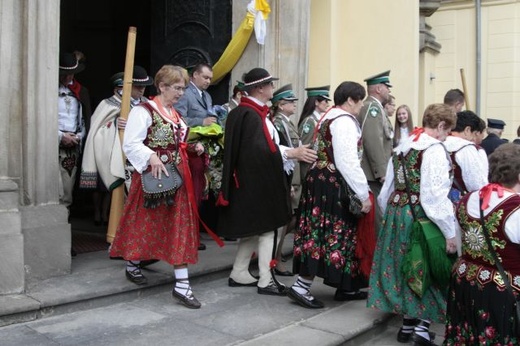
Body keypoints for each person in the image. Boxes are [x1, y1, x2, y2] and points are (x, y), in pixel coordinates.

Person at [109, 65, 205, 309]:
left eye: (183, 88)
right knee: (143, 222)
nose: (181, 93)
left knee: (177, 226)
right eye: (177, 88)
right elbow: (130, 143)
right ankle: (132, 263)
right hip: (152, 179)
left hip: (176, 178)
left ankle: (182, 286)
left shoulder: (174, 113)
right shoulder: (144, 111)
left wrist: (193, 148)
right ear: (162, 86)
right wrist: (150, 156)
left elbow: (177, 144)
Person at [217, 67, 317, 295]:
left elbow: (265, 147)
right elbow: (257, 152)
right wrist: (293, 153)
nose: (273, 88)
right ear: (261, 88)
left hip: (253, 182)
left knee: (255, 230)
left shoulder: (250, 113)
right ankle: (266, 279)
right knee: (268, 230)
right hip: (256, 184)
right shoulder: (250, 115)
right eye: (270, 85)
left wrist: (290, 153)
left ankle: (239, 272)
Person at [367, 103, 458, 345]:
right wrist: (450, 232)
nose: (446, 136)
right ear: (440, 126)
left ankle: (407, 324)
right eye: (447, 130)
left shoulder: (402, 148)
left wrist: (392, 217)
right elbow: (434, 196)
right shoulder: (434, 150)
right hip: (422, 215)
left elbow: (385, 193)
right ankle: (422, 327)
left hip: (397, 212)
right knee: (428, 265)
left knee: (404, 265)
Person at [288, 81, 372, 309]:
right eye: (361, 100)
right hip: (332, 185)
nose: (362, 105)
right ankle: (301, 286)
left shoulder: (328, 117)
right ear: (351, 100)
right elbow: (348, 162)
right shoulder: (344, 121)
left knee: (323, 232)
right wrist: (363, 194)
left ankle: (347, 286)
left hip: (320, 182)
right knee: (327, 233)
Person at [444, 143, 520, 345]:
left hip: (464, 282)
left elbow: (461, 242)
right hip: (502, 292)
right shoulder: (516, 207)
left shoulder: (469, 198)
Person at [80, 66, 154, 226]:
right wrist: (114, 124)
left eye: (144, 87)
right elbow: (96, 132)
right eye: (138, 86)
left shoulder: (148, 104)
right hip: (119, 158)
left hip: (142, 158)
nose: (142, 90)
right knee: (123, 196)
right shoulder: (108, 105)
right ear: (127, 85)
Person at [174, 62, 217, 250]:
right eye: (205, 77)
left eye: (210, 78)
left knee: (201, 191)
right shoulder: (185, 94)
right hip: (189, 149)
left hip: (204, 148)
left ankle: (193, 232)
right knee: (192, 191)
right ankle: (188, 235)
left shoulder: (206, 95)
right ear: (194, 76)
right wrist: (203, 121)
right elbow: (178, 118)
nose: (208, 81)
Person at [444, 110, 489, 254]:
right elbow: (478, 186)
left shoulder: (438, 143)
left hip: (436, 208)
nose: (476, 139)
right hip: (461, 209)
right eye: (476, 134)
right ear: (468, 130)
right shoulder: (468, 150)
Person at [356, 70, 393, 234]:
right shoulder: (372, 108)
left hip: (374, 173)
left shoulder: (376, 107)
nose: (389, 91)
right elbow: (373, 141)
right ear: (378, 88)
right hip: (372, 174)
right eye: (387, 87)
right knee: (377, 220)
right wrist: (382, 171)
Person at [271, 84, 301, 276]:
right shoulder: (279, 123)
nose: (294, 105)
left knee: (289, 218)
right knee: (283, 220)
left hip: (293, 175)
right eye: (291, 102)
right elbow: (283, 152)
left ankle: (276, 253)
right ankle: (276, 257)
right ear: (281, 105)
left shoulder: (288, 123)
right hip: (287, 175)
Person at [58, 51, 92, 210]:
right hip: (54, 143)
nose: (67, 78)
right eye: (63, 74)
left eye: (70, 74)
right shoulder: (47, 92)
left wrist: (79, 137)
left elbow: (85, 120)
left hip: (73, 145)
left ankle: (65, 217)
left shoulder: (81, 91)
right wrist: (60, 136)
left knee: (67, 186)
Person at [297, 85, 331, 180]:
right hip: (310, 172)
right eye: (325, 101)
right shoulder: (310, 122)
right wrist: (305, 176)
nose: (328, 104)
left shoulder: (319, 120)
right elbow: (304, 151)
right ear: (316, 102)